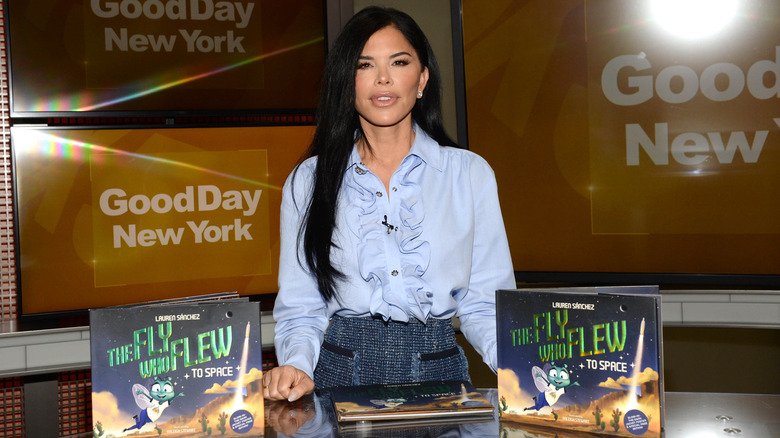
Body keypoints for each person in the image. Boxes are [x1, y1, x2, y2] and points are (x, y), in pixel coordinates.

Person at [263, 6, 514, 402]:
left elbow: (484, 304)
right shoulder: (308, 181)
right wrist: (296, 363)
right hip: (337, 375)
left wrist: (525, 369)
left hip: (443, 372)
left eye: (399, 62)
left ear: (422, 78)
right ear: (347, 83)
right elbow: (302, 306)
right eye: (364, 65)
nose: (383, 78)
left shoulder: (470, 174)